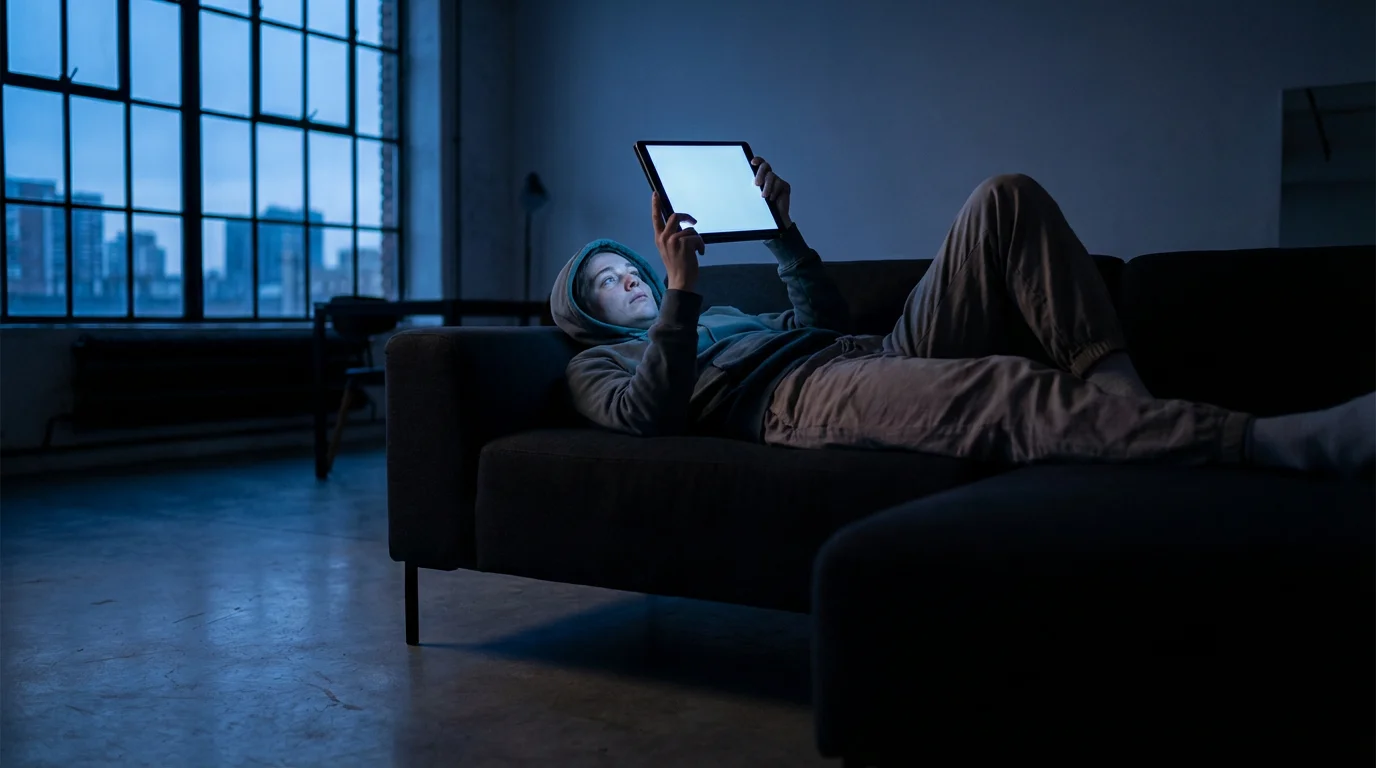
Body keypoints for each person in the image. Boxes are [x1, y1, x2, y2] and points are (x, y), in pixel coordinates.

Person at [548, 159, 1374, 476]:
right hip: (799, 402)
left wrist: (785, 234)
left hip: (862, 351)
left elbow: (820, 316)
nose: (632, 282)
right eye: (611, 283)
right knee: (1003, 387)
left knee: (1004, 198)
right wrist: (680, 294)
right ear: (585, 313)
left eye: (631, 269)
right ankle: (1271, 442)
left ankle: (1135, 403)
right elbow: (648, 419)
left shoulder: (722, 310)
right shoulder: (601, 363)